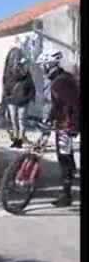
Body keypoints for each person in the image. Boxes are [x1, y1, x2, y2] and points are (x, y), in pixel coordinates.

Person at [36, 51, 80, 207]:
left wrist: (73, 126)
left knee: (64, 159)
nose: (42, 70)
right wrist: (49, 119)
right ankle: (69, 186)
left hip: (66, 126)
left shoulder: (61, 81)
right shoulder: (59, 80)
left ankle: (66, 195)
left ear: (50, 65)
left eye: (43, 67)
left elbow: (74, 104)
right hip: (62, 123)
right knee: (66, 157)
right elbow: (57, 105)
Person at [4, 57, 36, 148]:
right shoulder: (12, 75)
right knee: (14, 121)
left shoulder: (28, 76)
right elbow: (7, 86)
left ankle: (20, 140)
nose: (26, 68)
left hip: (23, 102)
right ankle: (15, 139)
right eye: (24, 65)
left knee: (21, 121)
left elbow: (32, 89)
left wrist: (28, 98)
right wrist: (7, 96)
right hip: (12, 101)